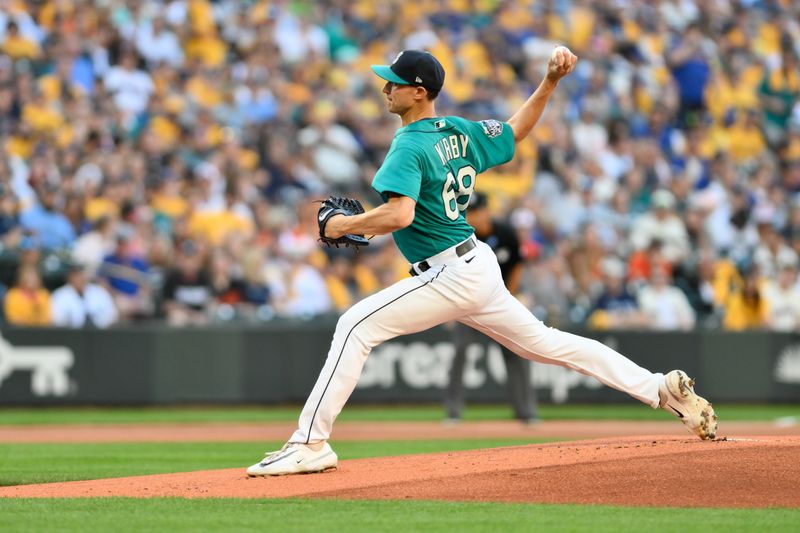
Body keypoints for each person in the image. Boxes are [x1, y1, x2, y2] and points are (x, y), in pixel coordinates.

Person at [246, 48, 717, 477]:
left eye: (394, 81)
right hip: (475, 265)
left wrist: (341, 227)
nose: (385, 87)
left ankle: (310, 443)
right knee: (549, 345)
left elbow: (400, 213)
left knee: (354, 326)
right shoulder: (458, 130)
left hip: (450, 271)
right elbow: (515, 132)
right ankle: (660, 389)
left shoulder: (408, 144)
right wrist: (549, 83)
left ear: (419, 91)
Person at [444, 191, 538, 424]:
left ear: (487, 210)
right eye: (469, 211)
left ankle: (526, 411)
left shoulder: (505, 233)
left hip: (499, 303)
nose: (472, 215)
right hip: (468, 305)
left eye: (476, 210)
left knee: (518, 351)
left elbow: (517, 265)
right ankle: (453, 411)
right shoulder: (459, 234)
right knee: (460, 351)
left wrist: (510, 295)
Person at [50, 263, 118, 328]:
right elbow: (56, 320)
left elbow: (112, 315)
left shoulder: (99, 292)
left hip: (99, 335)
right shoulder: (60, 295)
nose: (80, 278)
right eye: (76, 275)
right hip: (70, 336)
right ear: (69, 277)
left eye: (82, 274)